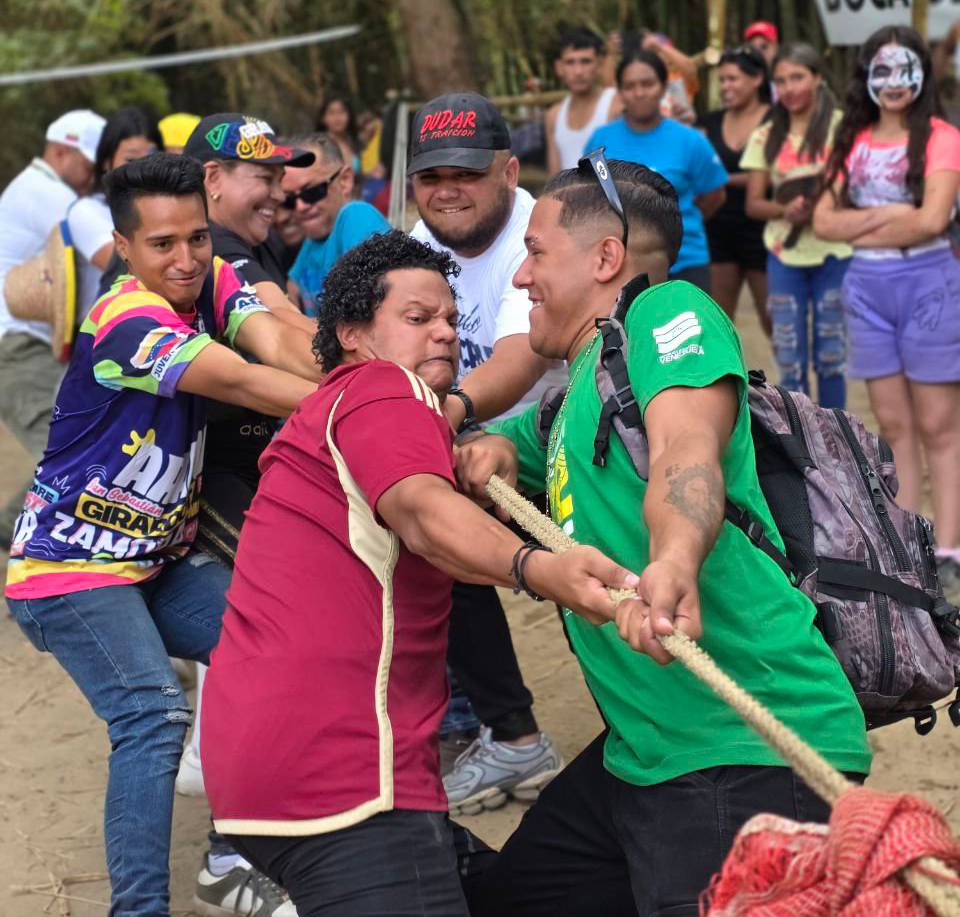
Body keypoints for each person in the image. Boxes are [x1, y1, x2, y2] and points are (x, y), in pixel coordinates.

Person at [455, 156, 871, 917]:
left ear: (605, 258)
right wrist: (482, 442)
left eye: (537, 252)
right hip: (644, 752)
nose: (520, 277)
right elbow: (502, 444)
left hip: (743, 744)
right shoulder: (575, 401)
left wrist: (675, 558)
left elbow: (686, 449)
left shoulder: (667, 311)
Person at [200, 231, 635, 917]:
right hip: (341, 770)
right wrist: (539, 567)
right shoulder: (382, 387)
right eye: (416, 317)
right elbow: (422, 512)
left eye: (449, 318)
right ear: (352, 335)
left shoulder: (338, 411)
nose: (444, 332)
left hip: (275, 764)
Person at [5, 152, 320, 917]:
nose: (185, 259)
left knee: (280, 649)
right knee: (152, 714)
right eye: (161, 245)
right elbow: (242, 380)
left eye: (197, 238)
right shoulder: (125, 320)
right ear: (122, 247)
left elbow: (278, 344)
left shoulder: (211, 281)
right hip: (68, 571)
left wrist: (365, 375)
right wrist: (359, 403)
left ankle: (230, 857)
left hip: (156, 561)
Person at [409, 93, 566, 814]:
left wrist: (444, 414)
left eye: (466, 173)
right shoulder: (421, 240)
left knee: (602, 601)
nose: (447, 190)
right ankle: (508, 735)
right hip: (475, 456)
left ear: (508, 171)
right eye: (431, 174)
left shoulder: (540, 238)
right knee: (420, 529)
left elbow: (521, 355)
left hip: (565, 449)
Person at [175, 113, 319, 816]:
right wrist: (373, 381)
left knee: (265, 620)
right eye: (263, 176)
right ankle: (234, 827)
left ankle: (222, 774)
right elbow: (280, 342)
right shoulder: (217, 254)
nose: (280, 192)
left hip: (245, 463)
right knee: (274, 623)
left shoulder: (245, 247)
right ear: (212, 179)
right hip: (205, 474)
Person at [813, 27, 960, 593]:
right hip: (867, 289)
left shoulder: (941, 137)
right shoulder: (851, 138)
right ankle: (911, 544)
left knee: (939, 422)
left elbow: (933, 220)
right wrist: (894, 216)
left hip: (930, 284)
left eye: (905, 69)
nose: (894, 81)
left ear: (922, 72)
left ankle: (949, 548)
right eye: (882, 69)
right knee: (894, 424)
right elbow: (822, 221)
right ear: (866, 75)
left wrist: (861, 224)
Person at [0, 109, 105, 543]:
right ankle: (10, 528)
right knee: (72, 454)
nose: (93, 177)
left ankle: (10, 525)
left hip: (27, 346)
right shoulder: (45, 194)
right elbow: (109, 248)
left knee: (75, 449)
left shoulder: (36, 189)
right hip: (18, 349)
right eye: (90, 166)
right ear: (62, 152)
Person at [742, 43, 851, 407]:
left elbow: (859, 188)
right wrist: (783, 209)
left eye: (798, 77)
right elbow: (753, 203)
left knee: (832, 356)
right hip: (784, 256)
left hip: (836, 253)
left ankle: (837, 430)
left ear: (818, 78)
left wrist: (826, 205)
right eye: (781, 81)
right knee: (789, 359)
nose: (789, 88)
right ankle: (800, 433)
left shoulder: (844, 128)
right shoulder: (767, 134)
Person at [588, 37, 727, 292]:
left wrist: (674, 225)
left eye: (647, 84)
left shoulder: (690, 140)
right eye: (630, 86)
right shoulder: (601, 141)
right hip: (620, 265)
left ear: (664, 87)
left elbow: (715, 194)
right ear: (620, 92)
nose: (639, 92)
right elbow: (590, 194)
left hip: (685, 263)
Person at [700, 48, 772, 333]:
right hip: (719, 228)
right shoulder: (709, 122)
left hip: (764, 230)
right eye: (722, 80)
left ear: (757, 79)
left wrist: (722, 178)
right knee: (718, 323)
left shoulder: (778, 119)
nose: (725, 86)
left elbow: (780, 173)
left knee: (774, 321)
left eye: (733, 79)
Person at [68, 106, 162, 316]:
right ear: (106, 162)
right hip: (110, 324)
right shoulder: (85, 211)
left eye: (152, 157)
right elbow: (133, 266)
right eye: (130, 160)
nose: (142, 168)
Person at [285, 133, 390, 316]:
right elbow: (291, 290)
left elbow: (366, 313)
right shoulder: (313, 240)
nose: (300, 207)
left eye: (312, 192)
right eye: (289, 200)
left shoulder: (356, 215)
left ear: (344, 181)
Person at [544, 27, 618, 173]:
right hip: (566, 188)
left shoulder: (615, 105)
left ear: (600, 64)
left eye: (586, 61)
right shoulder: (554, 116)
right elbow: (554, 177)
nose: (578, 71)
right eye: (570, 62)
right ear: (559, 67)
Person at [319, 93, 362, 171]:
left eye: (342, 112)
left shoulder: (354, 143)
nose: (337, 118)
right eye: (332, 113)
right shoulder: (317, 146)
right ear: (323, 118)